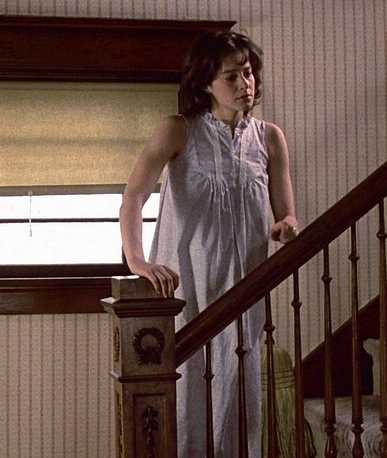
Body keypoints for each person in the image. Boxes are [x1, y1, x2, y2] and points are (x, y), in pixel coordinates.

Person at [119, 31, 298, 456]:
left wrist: (287, 227)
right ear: (206, 83)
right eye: (231, 77)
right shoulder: (177, 131)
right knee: (186, 399)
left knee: (238, 392)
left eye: (248, 73)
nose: (244, 84)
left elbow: (287, 215)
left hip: (244, 291)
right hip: (187, 290)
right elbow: (133, 197)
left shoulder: (269, 138)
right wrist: (138, 261)